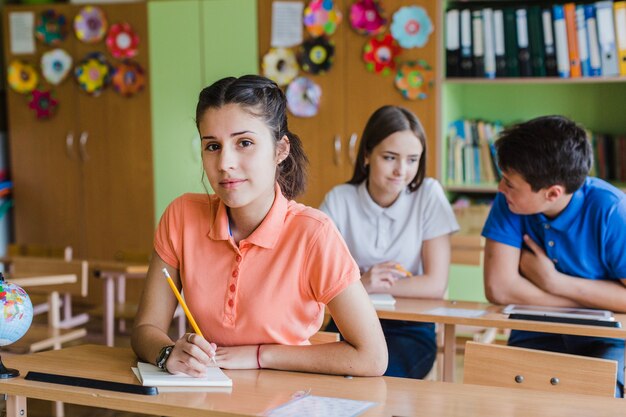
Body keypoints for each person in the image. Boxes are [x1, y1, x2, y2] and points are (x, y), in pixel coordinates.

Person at [131, 75, 387, 377]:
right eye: (212, 146)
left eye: (245, 143)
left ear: (280, 150)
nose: (225, 162)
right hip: (205, 396)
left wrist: (259, 355)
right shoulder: (181, 216)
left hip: (288, 399)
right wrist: (167, 353)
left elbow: (372, 357)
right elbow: (145, 329)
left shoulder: (314, 234)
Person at [481, 115, 626, 397]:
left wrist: (553, 282)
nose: (501, 188)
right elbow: (499, 288)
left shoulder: (612, 211)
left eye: (510, 183)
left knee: (596, 394)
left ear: (552, 193)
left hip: (606, 339)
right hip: (535, 331)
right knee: (507, 395)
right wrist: (594, 300)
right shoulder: (509, 202)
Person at [320, 105, 459, 379]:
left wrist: (357, 285)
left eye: (412, 160)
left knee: (372, 381)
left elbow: (434, 285)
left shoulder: (428, 195)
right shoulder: (340, 199)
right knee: (314, 382)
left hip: (410, 328)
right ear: (367, 155)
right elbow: (317, 280)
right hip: (348, 323)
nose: (401, 171)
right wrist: (364, 284)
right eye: (390, 157)